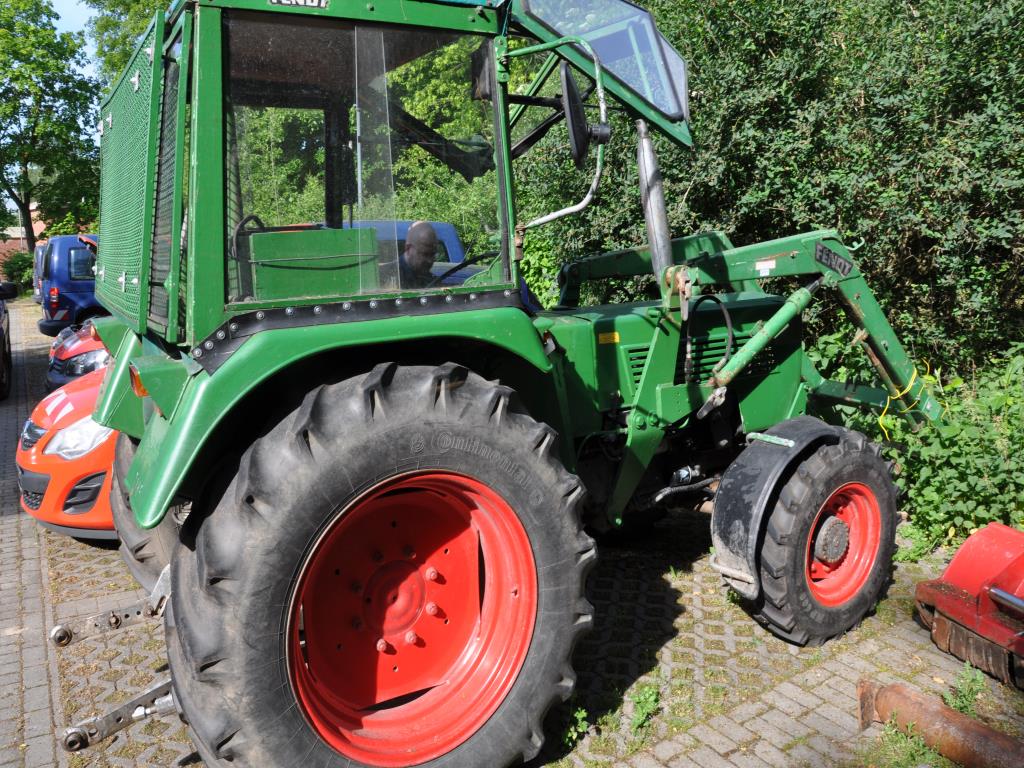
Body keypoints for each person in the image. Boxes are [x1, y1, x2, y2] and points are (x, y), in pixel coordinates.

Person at [399, 220, 438, 289]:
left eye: (433, 254)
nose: (430, 261)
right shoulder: (392, 277)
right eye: (425, 254)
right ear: (408, 249)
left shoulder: (431, 280)